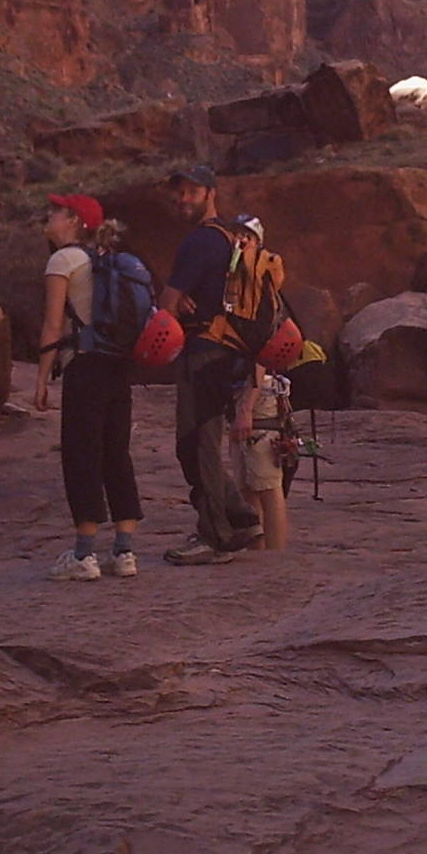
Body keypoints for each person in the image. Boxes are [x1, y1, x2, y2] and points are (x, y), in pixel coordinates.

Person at [158, 165, 264, 565]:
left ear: (210, 193)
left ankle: (215, 536)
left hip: (203, 351)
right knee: (201, 442)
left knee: (195, 445)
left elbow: (167, 302)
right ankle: (240, 517)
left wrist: (175, 302)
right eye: (178, 193)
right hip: (228, 352)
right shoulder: (229, 238)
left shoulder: (201, 241)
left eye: (191, 192)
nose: (182, 199)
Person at [37, 193, 142, 581]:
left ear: (75, 221)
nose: (48, 217)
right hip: (118, 364)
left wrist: (42, 379)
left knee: (83, 454)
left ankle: (84, 555)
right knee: (116, 452)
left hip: (85, 367)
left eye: (56, 212)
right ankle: (125, 552)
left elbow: (52, 326)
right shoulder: (107, 259)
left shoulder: (63, 259)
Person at [232, 363, 294, 550]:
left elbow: (260, 360)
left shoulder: (253, 334)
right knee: (247, 485)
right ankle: (257, 552)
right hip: (241, 393)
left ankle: (275, 553)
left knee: (267, 484)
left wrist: (246, 408)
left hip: (256, 397)